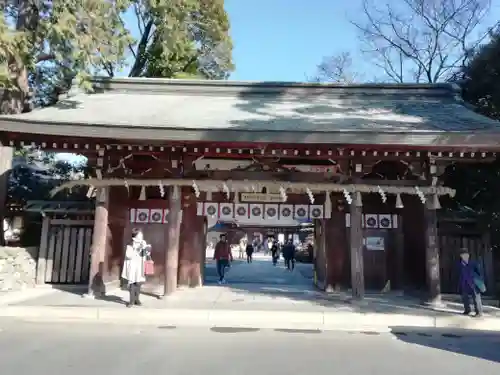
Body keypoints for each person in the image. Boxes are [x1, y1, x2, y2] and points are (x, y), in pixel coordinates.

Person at [121, 228, 151, 308]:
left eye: (141, 235)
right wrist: (137, 249)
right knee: (132, 283)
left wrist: (147, 250)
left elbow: (145, 254)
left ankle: (137, 299)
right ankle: (131, 301)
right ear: (135, 235)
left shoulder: (144, 242)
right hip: (132, 265)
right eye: (139, 235)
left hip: (140, 265)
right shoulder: (130, 243)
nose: (141, 236)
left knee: (138, 283)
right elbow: (128, 255)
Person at [458, 248, 484, 317]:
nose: (465, 256)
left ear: (468, 255)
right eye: (463, 255)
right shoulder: (460, 264)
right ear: (461, 256)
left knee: (476, 297)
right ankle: (467, 310)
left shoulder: (473, 263)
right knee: (465, 297)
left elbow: (479, 272)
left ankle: (479, 312)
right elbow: (459, 274)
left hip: (473, 282)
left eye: (466, 254)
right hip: (464, 282)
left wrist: (480, 281)